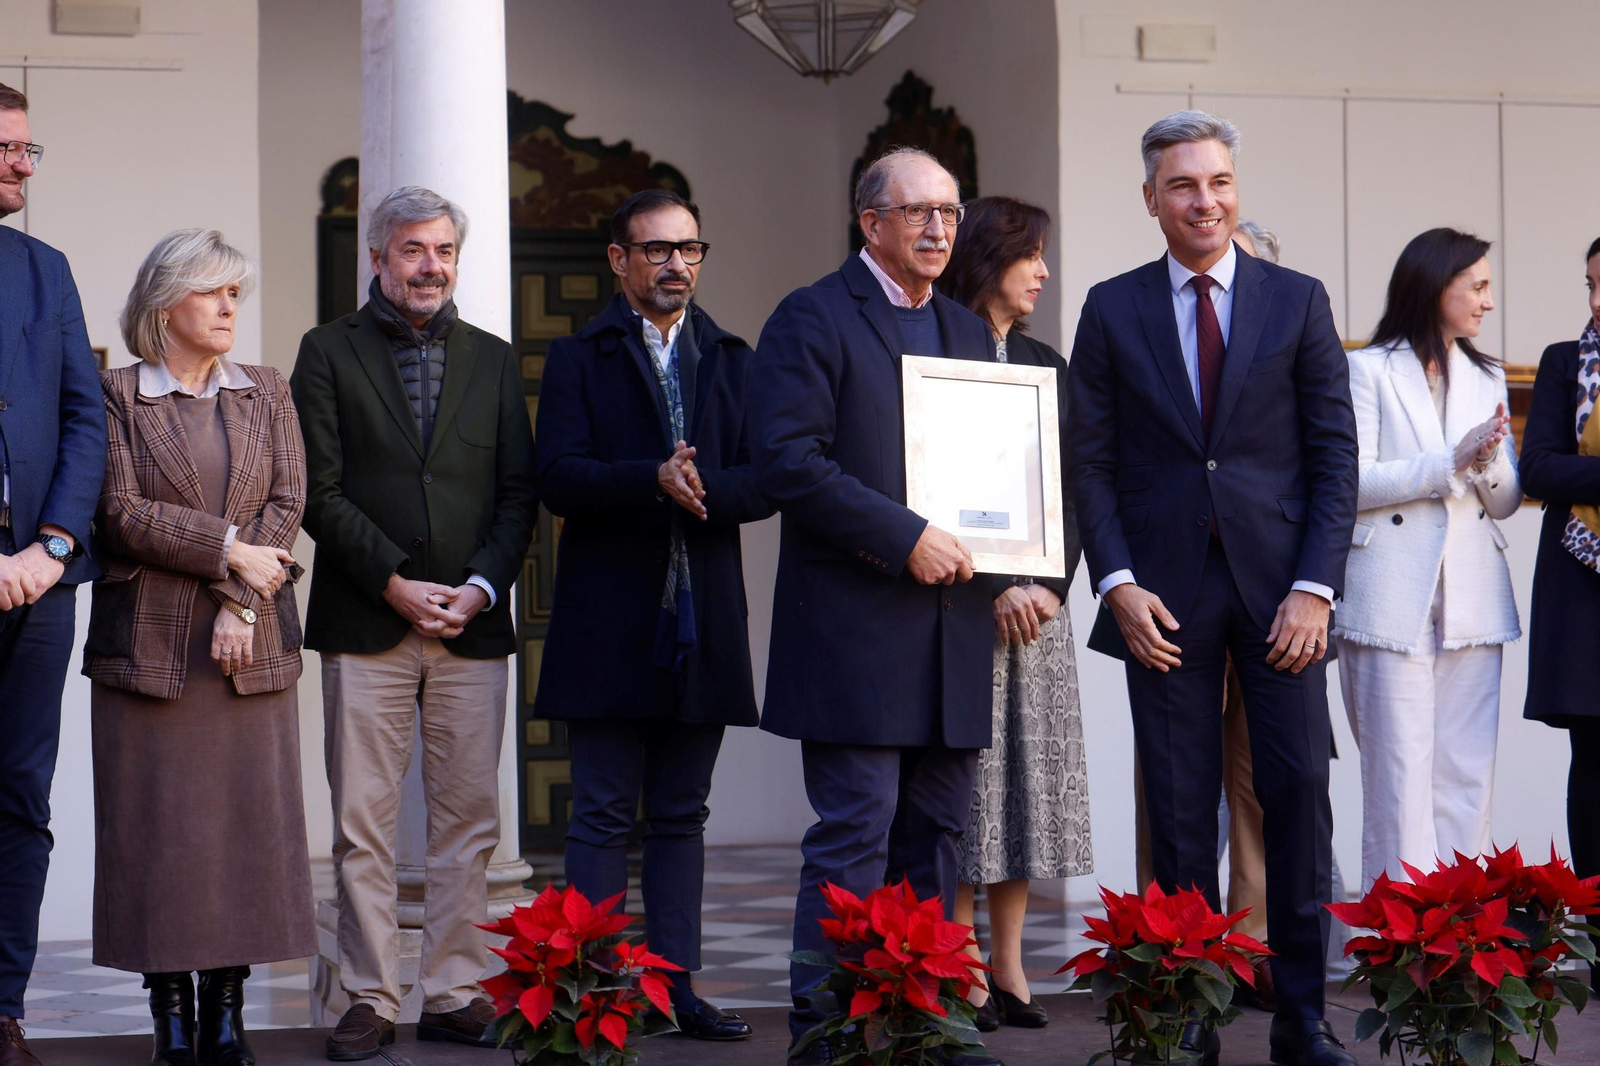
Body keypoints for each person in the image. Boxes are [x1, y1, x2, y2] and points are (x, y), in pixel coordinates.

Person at [1068, 111, 1359, 1066]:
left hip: (1285, 599)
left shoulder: (1297, 299)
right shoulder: (1112, 309)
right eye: (1185, 186)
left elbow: (1333, 458)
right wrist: (1115, 583)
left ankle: (1302, 1018)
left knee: (1298, 800)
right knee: (1181, 805)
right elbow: (1093, 464)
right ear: (1151, 198)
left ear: (1239, 188)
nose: (1207, 201)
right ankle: (1189, 1011)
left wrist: (1317, 587)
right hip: (1162, 599)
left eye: (1221, 181)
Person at [748, 147, 1001, 1066]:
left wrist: (1024, 571)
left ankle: (924, 1023)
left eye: (949, 212)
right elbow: (788, 463)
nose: (939, 229)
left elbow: (997, 479)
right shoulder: (812, 318)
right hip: (856, 628)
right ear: (871, 224)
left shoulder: (972, 335)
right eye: (919, 212)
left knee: (936, 836)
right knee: (855, 834)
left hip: (953, 631)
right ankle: (825, 1033)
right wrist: (905, 536)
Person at [290, 186, 537, 1062]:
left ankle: (454, 988)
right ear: (378, 258)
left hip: (471, 625)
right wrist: (395, 581)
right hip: (367, 618)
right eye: (411, 251)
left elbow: (517, 494)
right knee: (363, 819)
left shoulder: (495, 359)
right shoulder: (326, 353)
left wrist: (478, 586)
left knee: (468, 820)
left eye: (442, 252)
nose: (429, 267)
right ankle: (366, 992)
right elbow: (317, 492)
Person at [533, 189, 771, 1041]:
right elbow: (557, 476)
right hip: (608, 620)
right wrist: (649, 478)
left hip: (702, 620)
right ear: (618, 261)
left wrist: (702, 488)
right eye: (658, 250)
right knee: (599, 811)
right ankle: (593, 990)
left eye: (690, 249)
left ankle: (673, 989)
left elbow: (765, 477)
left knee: (681, 814)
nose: (677, 264)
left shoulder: (734, 357)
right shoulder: (578, 357)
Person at [87, 228, 314, 1066]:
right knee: (158, 836)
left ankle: (228, 1007)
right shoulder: (115, 393)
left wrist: (241, 599)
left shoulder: (266, 388)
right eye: (214, 292)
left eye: (235, 295)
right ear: (164, 302)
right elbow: (118, 510)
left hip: (247, 649)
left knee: (248, 835)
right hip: (147, 654)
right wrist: (228, 551)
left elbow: (288, 500)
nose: (229, 309)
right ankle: (170, 1014)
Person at [934, 196, 1089, 1032]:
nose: (1043, 272)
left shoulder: (1046, 362)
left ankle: (1009, 961)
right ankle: (955, 959)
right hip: (961, 605)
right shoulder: (934, 348)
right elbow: (932, 487)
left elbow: (1073, 492)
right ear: (991, 256)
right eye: (1031, 255)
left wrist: (1051, 587)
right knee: (969, 785)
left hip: (1040, 611)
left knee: (1028, 785)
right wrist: (993, 585)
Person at [1336, 228, 1521, 892]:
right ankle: (1399, 950)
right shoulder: (1366, 369)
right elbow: (1349, 483)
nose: (1488, 302)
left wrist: (1489, 457)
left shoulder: (1486, 373)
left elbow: (1504, 502)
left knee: (1467, 775)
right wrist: (1449, 461)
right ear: (1433, 286)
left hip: (1473, 598)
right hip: (1392, 597)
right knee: (1398, 779)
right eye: (1476, 286)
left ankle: (1465, 950)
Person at [0, 82, 109, 1066]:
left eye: (31, 151)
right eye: (7, 149)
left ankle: (3, 1008)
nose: (21, 166)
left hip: (38, 586)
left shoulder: (47, 271)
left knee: (20, 799)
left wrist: (53, 547)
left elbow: (87, 417)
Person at [1521, 236, 1600, 922]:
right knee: (1596, 770)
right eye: (1590, 287)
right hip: (1584, 591)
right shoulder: (1563, 362)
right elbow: (1539, 470)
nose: (1598, 304)